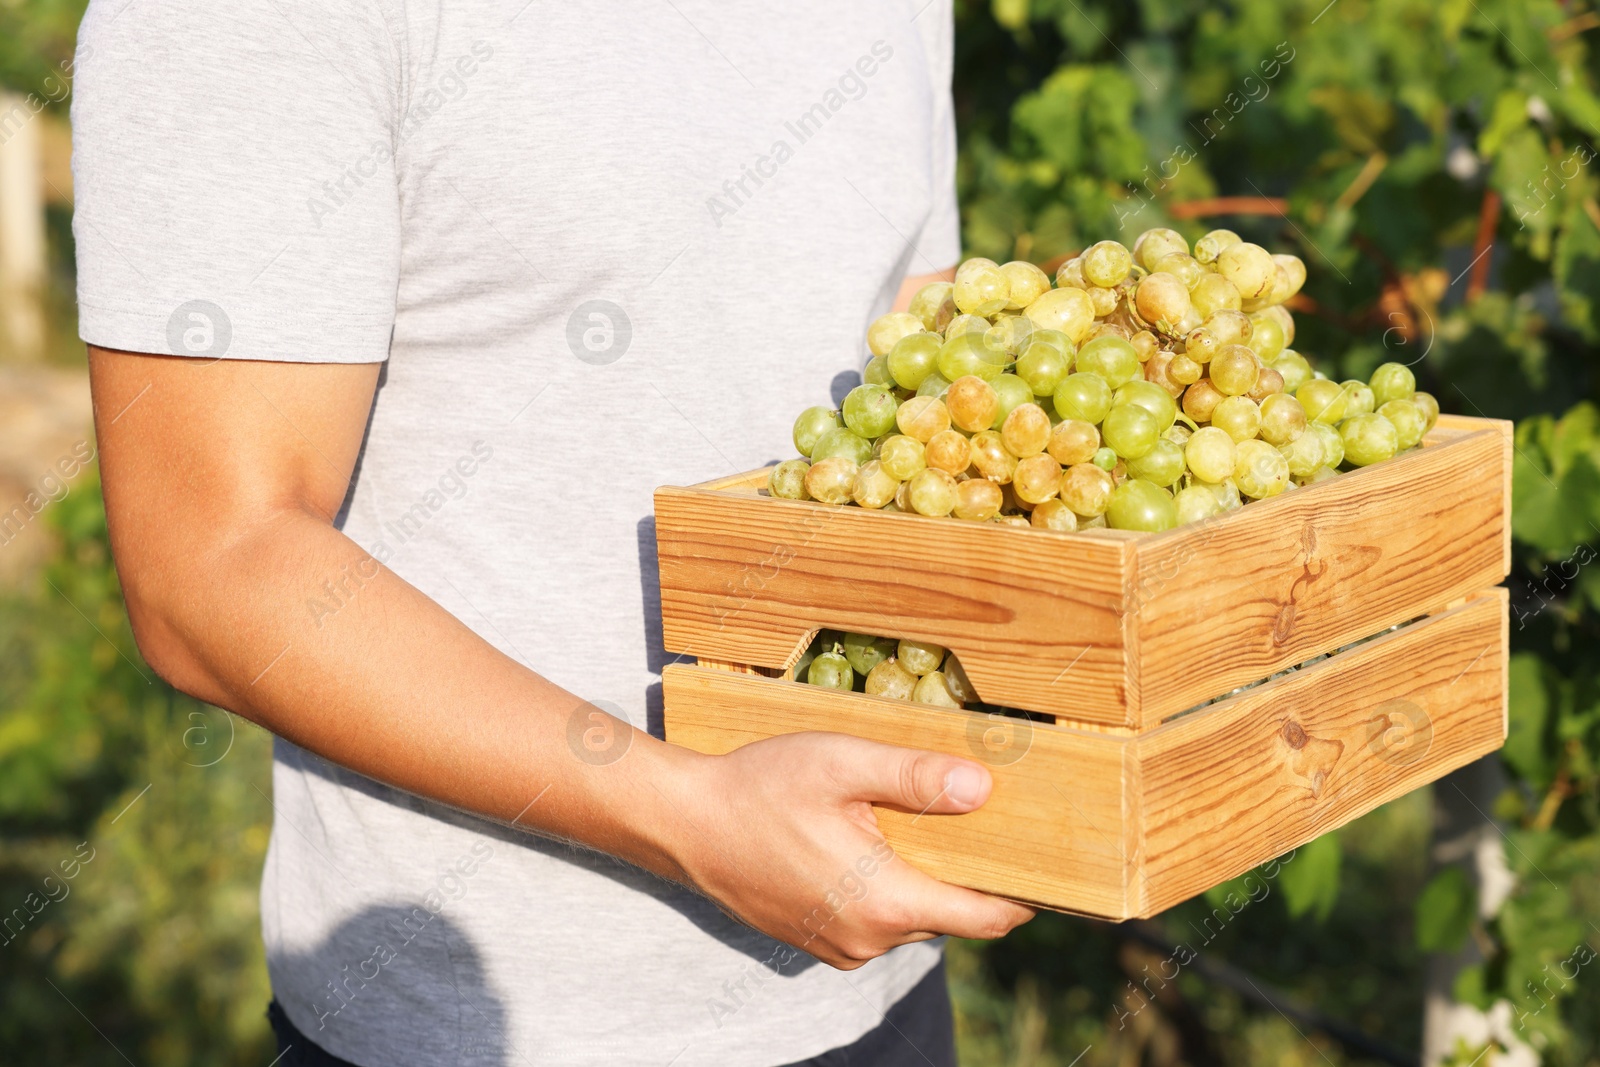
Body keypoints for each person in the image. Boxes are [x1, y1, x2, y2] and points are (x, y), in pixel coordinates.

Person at [72, 1, 1033, 1064]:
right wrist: (690, 813)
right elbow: (210, 562)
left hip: (880, 989)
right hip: (490, 1029)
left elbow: (923, 395)